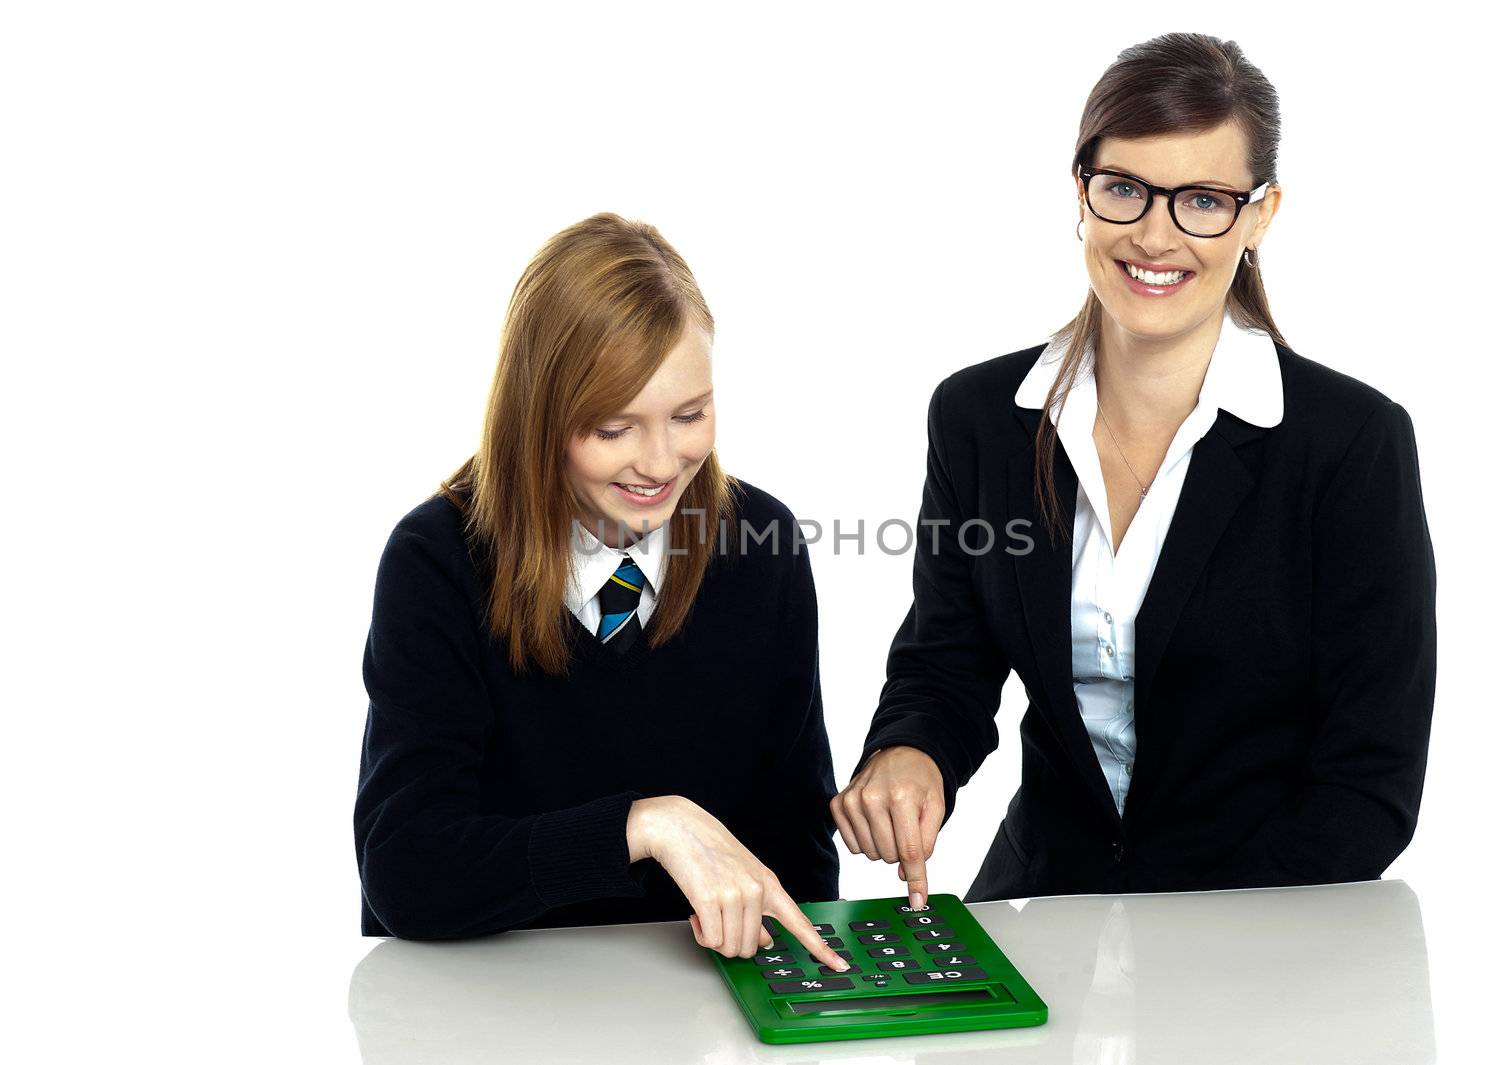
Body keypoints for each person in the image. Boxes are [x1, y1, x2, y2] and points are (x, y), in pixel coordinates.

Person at [831, 32, 1437, 906]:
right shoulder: (979, 420)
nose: (1155, 235)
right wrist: (908, 752)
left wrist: (1195, 953)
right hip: (1045, 900)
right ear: (1081, 193)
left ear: (1260, 215)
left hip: (1261, 924)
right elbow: (947, 660)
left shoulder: (1350, 445)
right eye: (1124, 189)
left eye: (1202, 200)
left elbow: (1368, 782)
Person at [355, 213, 850, 970]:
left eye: (689, 415)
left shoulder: (763, 546)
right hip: (487, 1003)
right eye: (614, 428)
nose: (661, 462)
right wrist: (642, 825)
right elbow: (407, 867)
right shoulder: (437, 559)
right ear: (539, 417)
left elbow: (795, 850)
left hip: (692, 1006)